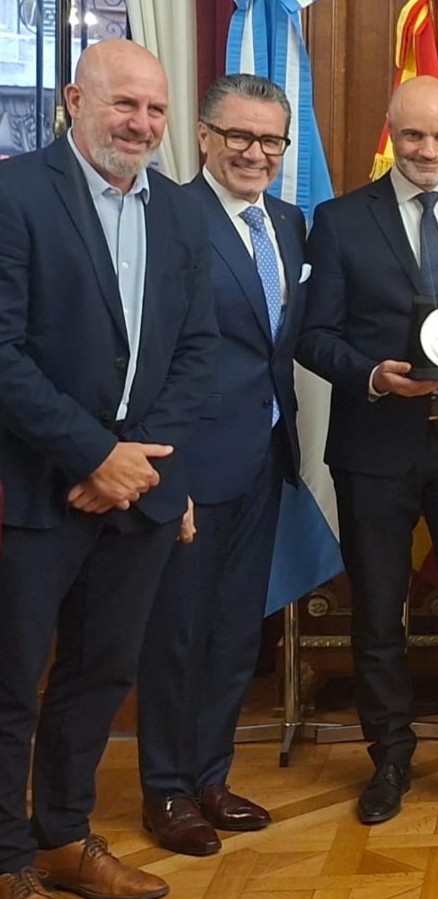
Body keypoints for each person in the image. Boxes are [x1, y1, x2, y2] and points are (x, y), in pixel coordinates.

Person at [0, 40, 216, 899]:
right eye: (124, 104)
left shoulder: (180, 212)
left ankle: (62, 838)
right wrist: (93, 454)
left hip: (141, 497)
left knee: (99, 677)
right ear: (72, 101)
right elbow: (3, 350)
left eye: (157, 110)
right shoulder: (15, 194)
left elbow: (200, 351)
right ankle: (6, 855)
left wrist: (135, 463)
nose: (141, 123)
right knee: (12, 682)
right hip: (37, 490)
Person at [296, 76, 438, 827]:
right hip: (374, 446)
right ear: (389, 130)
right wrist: (370, 375)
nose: (429, 151)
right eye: (414, 135)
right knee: (377, 615)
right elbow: (312, 334)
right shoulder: (337, 220)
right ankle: (389, 757)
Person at [133, 74, 305, 859]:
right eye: (238, 136)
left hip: (266, 461)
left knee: (237, 631)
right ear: (203, 136)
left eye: (270, 140)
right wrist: (173, 477)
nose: (255, 153)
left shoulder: (290, 223)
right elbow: (149, 356)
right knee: (177, 634)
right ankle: (164, 788)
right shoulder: (169, 217)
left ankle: (210, 774)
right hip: (192, 471)